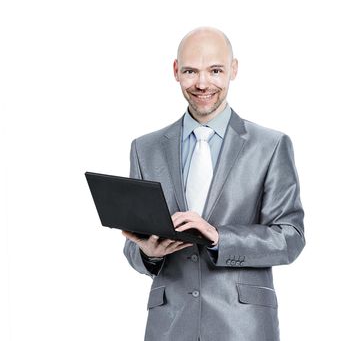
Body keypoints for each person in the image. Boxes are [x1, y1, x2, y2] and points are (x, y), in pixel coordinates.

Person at [122, 27, 305, 341]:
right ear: (176, 71)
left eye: (215, 70)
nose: (202, 83)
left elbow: (290, 237)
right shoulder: (145, 148)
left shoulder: (270, 145)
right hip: (169, 325)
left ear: (233, 70)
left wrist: (220, 237)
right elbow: (133, 241)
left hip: (243, 325)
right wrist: (149, 253)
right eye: (191, 71)